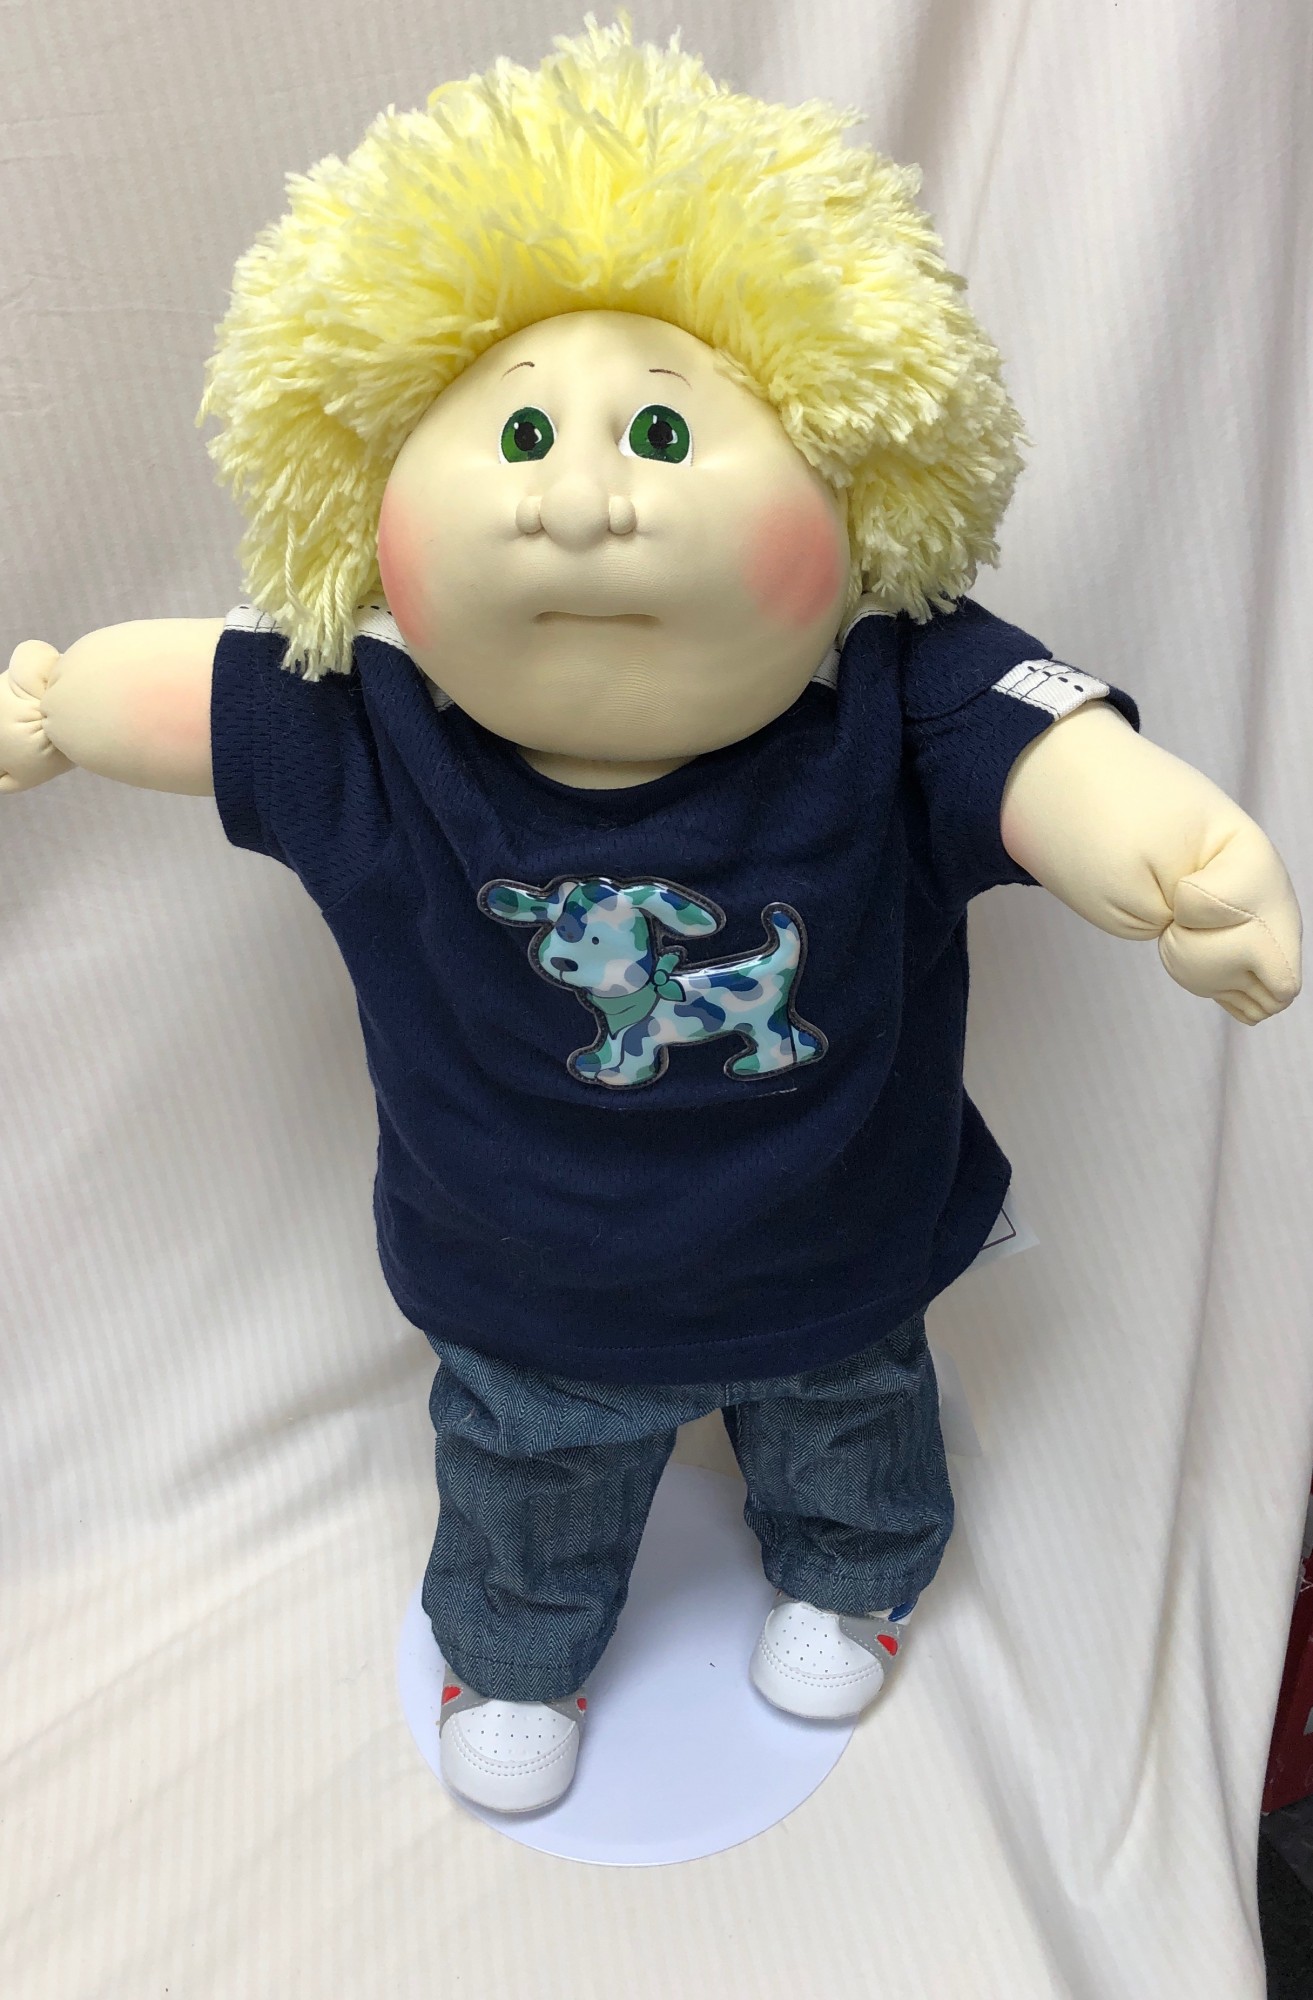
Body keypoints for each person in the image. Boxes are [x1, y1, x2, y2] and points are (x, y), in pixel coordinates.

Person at [2, 22, 1300, 1816]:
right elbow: (194, 690)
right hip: (520, 1293)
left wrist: (1158, 834)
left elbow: (1042, 758)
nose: (586, 499)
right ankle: (517, 1647)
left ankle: (851, 1575)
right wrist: (58, 698)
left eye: (668, 434)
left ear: (853, 493)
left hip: (839, 1262)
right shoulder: (373, 736)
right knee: (522, 1481)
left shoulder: (889, 695)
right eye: (522, 432)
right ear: (369, 506)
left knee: (853, 1430)